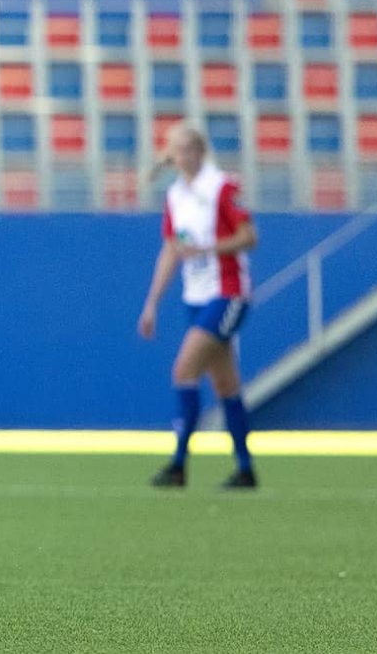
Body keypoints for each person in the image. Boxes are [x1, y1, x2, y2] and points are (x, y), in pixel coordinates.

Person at [138, 122, 259, 490]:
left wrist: (208, 248)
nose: (182, 156)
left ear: (201, 151)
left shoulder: (221, 187)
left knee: (184, 369)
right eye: (176, 150)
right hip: (196, 296)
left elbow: (249, 236)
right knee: (225, 384)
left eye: (188, 149)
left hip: (228, 293)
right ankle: (245, 468)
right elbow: (171, 250)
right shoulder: (176, 195)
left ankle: (178, 464)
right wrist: (152, 302)